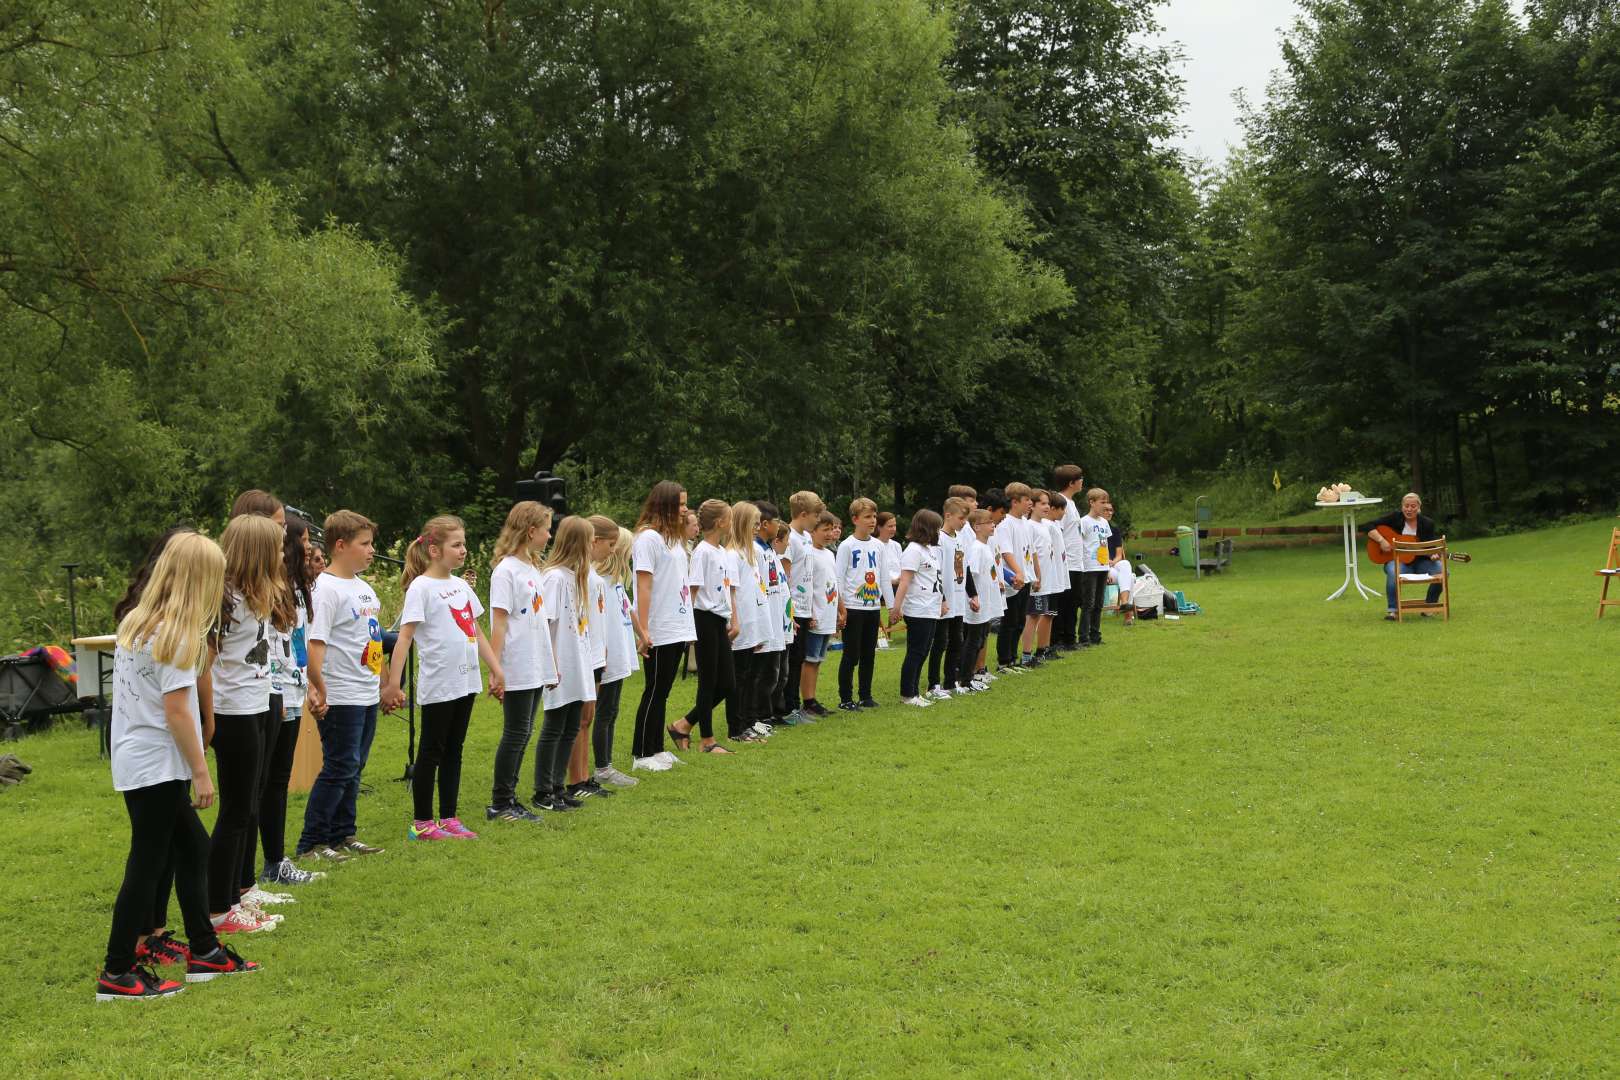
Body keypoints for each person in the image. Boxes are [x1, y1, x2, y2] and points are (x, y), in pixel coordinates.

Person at [99, 531, 260, 1000]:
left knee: (192, 849)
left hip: (142, 757)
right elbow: (175, 711)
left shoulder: (139, 621)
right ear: (200, 579)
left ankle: (205, 951)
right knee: (147, 863)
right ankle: (116, 969)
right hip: (154, 763)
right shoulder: (176, 634)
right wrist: (201, 771)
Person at [384, 515, 504, 841]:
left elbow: (475, 630)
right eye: (457, 545)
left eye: (464, 544)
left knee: (455, 749)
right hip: (439, 683)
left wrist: (495, 668)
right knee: (431, 751)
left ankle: (449, 817)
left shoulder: (461, 585)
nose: (463, 550)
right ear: (434, 550)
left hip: (465, 682)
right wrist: (393, 684)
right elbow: (405, 638)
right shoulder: (421, 588)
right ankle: (421, 823)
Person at [207, 514, 289, 934]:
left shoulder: (255, 591)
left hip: (258, 703)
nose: (281, 554)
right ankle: (219, 910)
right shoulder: (222, 598)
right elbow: (205, 660)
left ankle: (238, 893)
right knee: (236, 810)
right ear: (257, 551)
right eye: (276, 547)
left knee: (249, 804)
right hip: (232, 709)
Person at [295, 509, 387, 862]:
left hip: (365, 691)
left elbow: (373, 640)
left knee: (355, 766)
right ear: (340, 545)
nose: (371, 550)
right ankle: (312, 843)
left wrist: (381, 683)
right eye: (364, 544)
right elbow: (315, 644)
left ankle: (343, 834)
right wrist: (317, 688)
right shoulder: (325, 589)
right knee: (339, 765)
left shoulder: (364, 588)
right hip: (341, 693)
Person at [259, 516, 325, 886]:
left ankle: (275, 861)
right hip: (274, 693)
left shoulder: (298, 587)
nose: (308, 547)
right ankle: (256, 871)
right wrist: (277, 691)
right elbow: (268, 646)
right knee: (266, 780)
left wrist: (310, 685)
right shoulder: (271, 587)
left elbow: (297, 642)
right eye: (302, 540)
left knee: (278, 778)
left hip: (294, 689)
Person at [486, 502, 558, 822]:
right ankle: (501, 803)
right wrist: (496, 669)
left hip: (534, 663)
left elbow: (539, 622)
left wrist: (549, 663)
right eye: (546, 528)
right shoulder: (506, 572)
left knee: (525, 731)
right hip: (515, 663)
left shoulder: (531, 568)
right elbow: (499, 623)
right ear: (531, 531)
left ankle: (510, 798)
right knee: (516, 732)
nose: (550, 534)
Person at [629, 481, 695, 771]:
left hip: (677, 624)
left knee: (664, 691)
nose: (685, 509)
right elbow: (643, 586)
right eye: (680, 504)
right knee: (654, 689)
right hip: (658, 626)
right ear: (665, 505)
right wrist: (643, 631)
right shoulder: (647, 539)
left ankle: (656, 749)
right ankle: (642, 753)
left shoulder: (672, 539)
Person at [534, 517, 598, 810]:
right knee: (554, 726)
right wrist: (551, 663)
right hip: (560, 663)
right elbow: (545, 624)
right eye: (591, 539)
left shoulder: (575, 577)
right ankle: (543, 790)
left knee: (572, 725)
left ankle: (558, 786)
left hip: (577, 662)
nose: (594, 545)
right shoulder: (555, 578)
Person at [669, 500, 737, 754]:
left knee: (727, 683)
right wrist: (690, 628)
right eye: (729, 518)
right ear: (720, 522)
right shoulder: (703, 552)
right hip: (704, 619)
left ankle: (683, 724)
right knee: (708, 681)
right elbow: (693, 590)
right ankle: (707, 740)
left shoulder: (719, 551)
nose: (731, 523)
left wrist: (730, 617)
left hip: (719, 620)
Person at [565, 517, 618, 800]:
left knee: (588, 716)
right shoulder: (578, 576)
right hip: (584, 654)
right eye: (610, 545)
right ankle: (575, 779)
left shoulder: (593, 575)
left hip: (596, 654)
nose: (612, 551)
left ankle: (584, 776)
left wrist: (603, 650)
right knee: (581, 719)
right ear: (593, 541)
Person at [592, 526, 647, 785]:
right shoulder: (598, 581)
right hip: (607, 656)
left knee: (612, 710)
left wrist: (642, 634)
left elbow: (627, 608)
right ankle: (602, 767)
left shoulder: (615, 582)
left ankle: (606, 765)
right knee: (604, 711)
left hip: (619, 652)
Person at [835, 498, 891, 711]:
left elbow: (884, 576)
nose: (872, 521)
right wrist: (840, 608)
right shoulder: (847, 546)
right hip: (853, 607)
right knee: (851, 654)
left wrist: (892, 606)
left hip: (873, 607)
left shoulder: (878, 546)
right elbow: (839, 578)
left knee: (870, 653)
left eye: (874, 517)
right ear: (855, 519)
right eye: (867, 517)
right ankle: (845, 698)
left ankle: (865, 695)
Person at [890, 509, 947, 708]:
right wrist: (896, 608)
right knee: (916, 651)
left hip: (930, 607)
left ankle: (914, 691)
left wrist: (941, 602)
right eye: (937, 528)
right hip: (918, 609)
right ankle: (907, 694)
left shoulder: (929, 550)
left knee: (923, 651)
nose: (939, 531)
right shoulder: (913, 550)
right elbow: (905, 581)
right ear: (927, 528)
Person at [726, 500, 769, 743]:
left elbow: (757, 592)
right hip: (740, 624)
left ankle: (746, 722)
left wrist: (761, 629)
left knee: (750, 675)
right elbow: (732, 592)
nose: (756, 528)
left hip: (753, 622)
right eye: (753, 523)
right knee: (738, 679)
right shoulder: (732, 555)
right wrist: (735, 622)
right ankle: (736, 727)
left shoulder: (751, 553)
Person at [1366, 492, 1444, 620]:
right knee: (1394, 571)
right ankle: (1393, 611)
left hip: (1420, 562)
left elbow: (1430, 547)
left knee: (1442, 571)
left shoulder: (1427, 523)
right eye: (1406, 506)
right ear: (1402, 507)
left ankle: (1429, 606)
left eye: (1413, 506)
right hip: (1397, 560)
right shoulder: (1395, 517)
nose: (1409, 509)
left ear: (1419, 507)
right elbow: (1367, 526)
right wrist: (1381, 541)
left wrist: (1433, 555)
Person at [926, 497, 970, 701]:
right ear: (948, 515)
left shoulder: (960, 538)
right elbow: (937, 572)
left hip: (959, 599)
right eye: (961, 518)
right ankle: (933, 684)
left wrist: (972, 594)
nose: (963, 522)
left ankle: (950, 682)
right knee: (940, 642)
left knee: (956, 641)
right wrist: (942, 599)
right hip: (944, 599)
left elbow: (964, 568)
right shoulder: (939, 540)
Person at [784, 491, 823, 714]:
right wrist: (789, 613)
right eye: (816, 516)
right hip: (793, 610)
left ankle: (797, 706)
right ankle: (788, 708)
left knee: (800, 659)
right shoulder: (789, 538)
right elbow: (785, 579)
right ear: (803, 514)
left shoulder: (807, 538)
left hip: (806, 608)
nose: (818, 520)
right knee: (791, 661)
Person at [752, 501, 789, 734]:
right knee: (764, 674)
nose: (779, 525)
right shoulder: (755, 551)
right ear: (765, 524)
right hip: (765, 623)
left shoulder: (769, 550)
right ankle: (758, 716)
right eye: (776, 521)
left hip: (778, 620)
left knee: (775, 673)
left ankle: (766, 715)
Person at [799, 511, 840, 716]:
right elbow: (806, 587)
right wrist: (810, 613)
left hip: (828, 614)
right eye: (824, 529)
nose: (829, 534)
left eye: (831, 529)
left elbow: (834, 584)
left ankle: (812, 698)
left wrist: (841, 610)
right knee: (810, 659)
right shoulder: (809, 555)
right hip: (816, 616)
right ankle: (807, 701)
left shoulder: (830, 554)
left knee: (818, 659)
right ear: (812, 531)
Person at [993, 483, 1034, 674]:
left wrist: (1032, 574)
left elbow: (1029, 552)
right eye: (1026, 500)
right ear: (1015, 502)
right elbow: (1005, 552)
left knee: (1020, 621)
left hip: (1024, 579)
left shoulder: (1025, 522)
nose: (1030, 504)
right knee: (1009, 622)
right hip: (1012, 581)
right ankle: (1004, 661)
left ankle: (1013, 659)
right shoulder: (1005, 523)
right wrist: (1018, 572)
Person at [958, 509, 1000, 692]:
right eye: (988, 522)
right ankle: (964, 679)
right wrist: (972, 598)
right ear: (977, 527)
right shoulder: (975, 548)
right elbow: (970, 575)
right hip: (977, 604)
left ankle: (971, 676)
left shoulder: (985, 547)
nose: (993, 525)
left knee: (981, 640)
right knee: (973, 641)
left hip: (987, 603)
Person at [1051, 465, 1086, 649]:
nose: (1082, 482)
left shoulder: (1071, 504)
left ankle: (1070, 638)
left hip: (1076, 561)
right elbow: (1058, 532)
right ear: (1071, 482)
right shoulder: (1060, 502)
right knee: (1064, 602)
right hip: (1066, 562)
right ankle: (1059, 639)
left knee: (1073, 602)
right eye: (1080, 479)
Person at [1033, 492, 1069, 662]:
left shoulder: (1052, 525)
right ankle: (1041, 649)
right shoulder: (1046, 525)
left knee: (1051, 613)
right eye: (1062, 509)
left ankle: (1045, 647)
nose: (1064, 513)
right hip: (1049, 577)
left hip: (1056, 576)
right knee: (1046, 614)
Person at [1075, 487, 1111, 647]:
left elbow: (1105, 543)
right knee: (1088, 603)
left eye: (1106, 502)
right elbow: (1080, 543)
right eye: (1102, 502)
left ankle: (1096, 634)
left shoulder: (1104, 522)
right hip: (1089, 567)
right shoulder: (1084, 522)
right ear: (1092, 502)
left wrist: (1108, 565)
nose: (1105, 505)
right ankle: (1084, 637)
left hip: (1102, 566)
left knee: (1099, 603)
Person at [1101, 501, 1135, 628]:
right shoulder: (1095, 529)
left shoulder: (1114, 531)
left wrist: (1112, 563)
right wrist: (1106, 568)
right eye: (1106, 510)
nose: (1109, 512)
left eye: (1111, 510)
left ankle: (1125, 603)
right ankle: (1128, 614)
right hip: (1100, 568)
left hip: (1114, 565)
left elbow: (1119, 555)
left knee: (1125, 563)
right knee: (1131, 577)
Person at [875, 511, 902, 650]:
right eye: (889, 526)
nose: (893, 529)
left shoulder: (896, 545)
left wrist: (900, 579)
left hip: (898, 584)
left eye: (894, 526)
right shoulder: (875, 545)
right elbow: (876, 573)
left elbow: (901, 566)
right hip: (882, 586)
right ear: (879, 527)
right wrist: (893, 581)